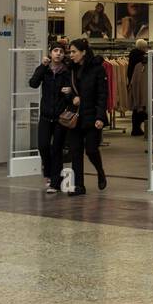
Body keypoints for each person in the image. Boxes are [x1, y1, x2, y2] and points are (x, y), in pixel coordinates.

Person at [50, 38, 108, 196]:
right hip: (75, 116)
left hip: (92, 116)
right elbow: (66, 90)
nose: (71, 54)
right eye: (70, 51)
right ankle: (79, 186)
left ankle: (100, 171)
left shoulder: (98, 69)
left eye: (74, 51)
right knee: (76, 151)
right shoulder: (71, 69)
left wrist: (100, 117)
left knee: (91, 150)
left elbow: (103, 95)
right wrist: (71, 97)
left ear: (83, 52)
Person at [30, 44, 69, 185]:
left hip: (60, 117)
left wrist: (69, 92)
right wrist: (41, 66)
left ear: (64, 55)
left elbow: (73, 92)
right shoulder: (44, 70)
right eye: (55, 51)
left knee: (57, 148)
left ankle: (55, 180)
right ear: (50, 53)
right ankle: (47, 172)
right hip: (46, 115)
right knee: (43, 145)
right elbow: (33, 83)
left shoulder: (67, 71)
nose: (58, 54)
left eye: (61, 52)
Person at [128, 38, 149, 136]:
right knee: (140, 106)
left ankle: (136, 129)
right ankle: (137, 129)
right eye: (145, 47)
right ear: (142, 47)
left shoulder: (132, 55)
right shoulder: (141, 57)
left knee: (136, 107)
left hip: (133, 81)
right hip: (139, 82)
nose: (147, 49)